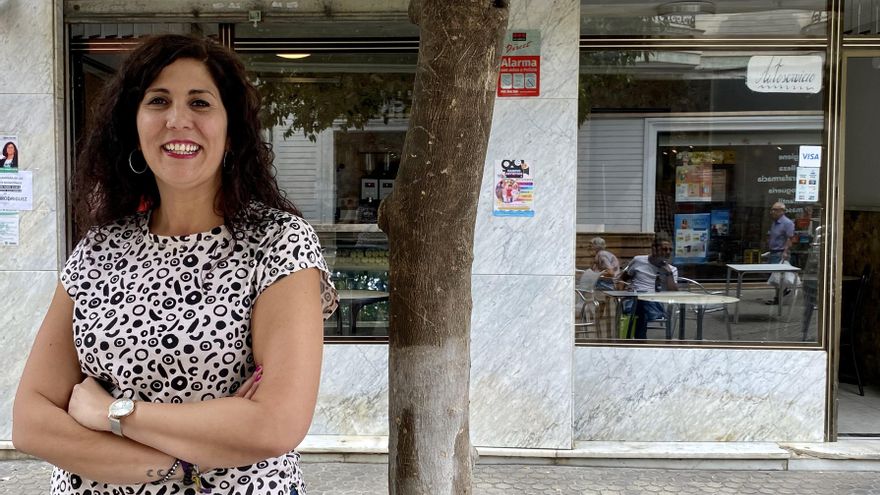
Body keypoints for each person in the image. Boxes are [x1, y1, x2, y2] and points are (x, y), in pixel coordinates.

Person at [12, 34, 338, 495]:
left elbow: (274, 424)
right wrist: (180, 466)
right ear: (135, 125)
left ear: (231, 132)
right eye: (158, 100)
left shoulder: (277, 244)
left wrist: (111, 414)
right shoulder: (99, 248)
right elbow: (31, 421)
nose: (178, 119)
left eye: (200, 103)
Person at [619, 233, 678, 339]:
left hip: (655, 304)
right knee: (639, 302)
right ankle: (639, 340)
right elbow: (623, 278)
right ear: (654, 249)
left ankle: (636, 340)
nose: (668, 252)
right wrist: (621, 293)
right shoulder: (638, 261)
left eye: (670, 250)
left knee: (642, 304)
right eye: (664, 249)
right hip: (633, 301)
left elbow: (673, 293)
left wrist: (668, 273)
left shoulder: (672, 270)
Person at [765, 201, 796, 305]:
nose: (771, 212)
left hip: (781, 253)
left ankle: (779, 296)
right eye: (772, 209)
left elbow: (790, 238)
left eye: (774, 210)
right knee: (774, 276)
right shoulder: (775, 222)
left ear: (781, 211)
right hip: (773, 251)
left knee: (778, 277)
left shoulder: (787, 223)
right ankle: (781, 293)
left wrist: (785, 252)